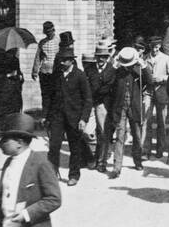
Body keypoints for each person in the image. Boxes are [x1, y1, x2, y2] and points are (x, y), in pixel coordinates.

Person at [48, 44, 93, 185]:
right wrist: (47, 116)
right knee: (54, 145)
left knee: (75, 147)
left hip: (75, 118)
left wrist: (84, 119)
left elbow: (88, 99)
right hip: (58, 117)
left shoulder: (79, 75)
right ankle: (52, 173)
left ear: (71, 61)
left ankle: (74, 175)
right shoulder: (57, 75)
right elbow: (50, 96)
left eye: (64, 60)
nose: (61, 62)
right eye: (60, 60)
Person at [106, 44, 146, 178]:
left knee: (137, 136)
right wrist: (113, 66)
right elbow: (106, 79)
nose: (128, 66)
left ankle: (138, 161)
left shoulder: (137, 71)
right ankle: (117, 167)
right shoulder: (117, 72)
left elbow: (150, 80)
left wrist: (144, 66)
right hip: (120, 108)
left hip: (134, 107)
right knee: (120, 137)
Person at [89, 38, 116, 173]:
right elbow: (87, 86)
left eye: (104, 57)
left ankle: (101, 161)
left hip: (103, 105)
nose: (101, 59)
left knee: (103, 133)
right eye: (99, 57)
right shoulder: (90, 69)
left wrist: (95, 91)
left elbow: (108, 88)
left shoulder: (112, 70)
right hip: (90, 104)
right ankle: (92, 156)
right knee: (87, 132)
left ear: (107, 57)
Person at [144, 36, 169, 158]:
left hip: (161, 91)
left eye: (156, 47)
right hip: (149, 92)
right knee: (146, 120)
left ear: (160, 46)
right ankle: (146, 150)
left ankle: (160, 149)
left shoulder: (166, 58)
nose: (154, 50)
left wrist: (162, 78)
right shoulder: (145, 58)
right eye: (152, 47)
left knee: (161, 122)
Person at [32, 21, 59, 124]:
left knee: (55, 95)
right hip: (44, 72)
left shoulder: (59, 41)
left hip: (55, 72)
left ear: (53, 30)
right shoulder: (42, 42)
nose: (49, 34)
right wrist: (34, 71)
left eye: (50, 32)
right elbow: (38, 57)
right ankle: (46, 117)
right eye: (47, 32)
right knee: (45, 95)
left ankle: (54, 118)